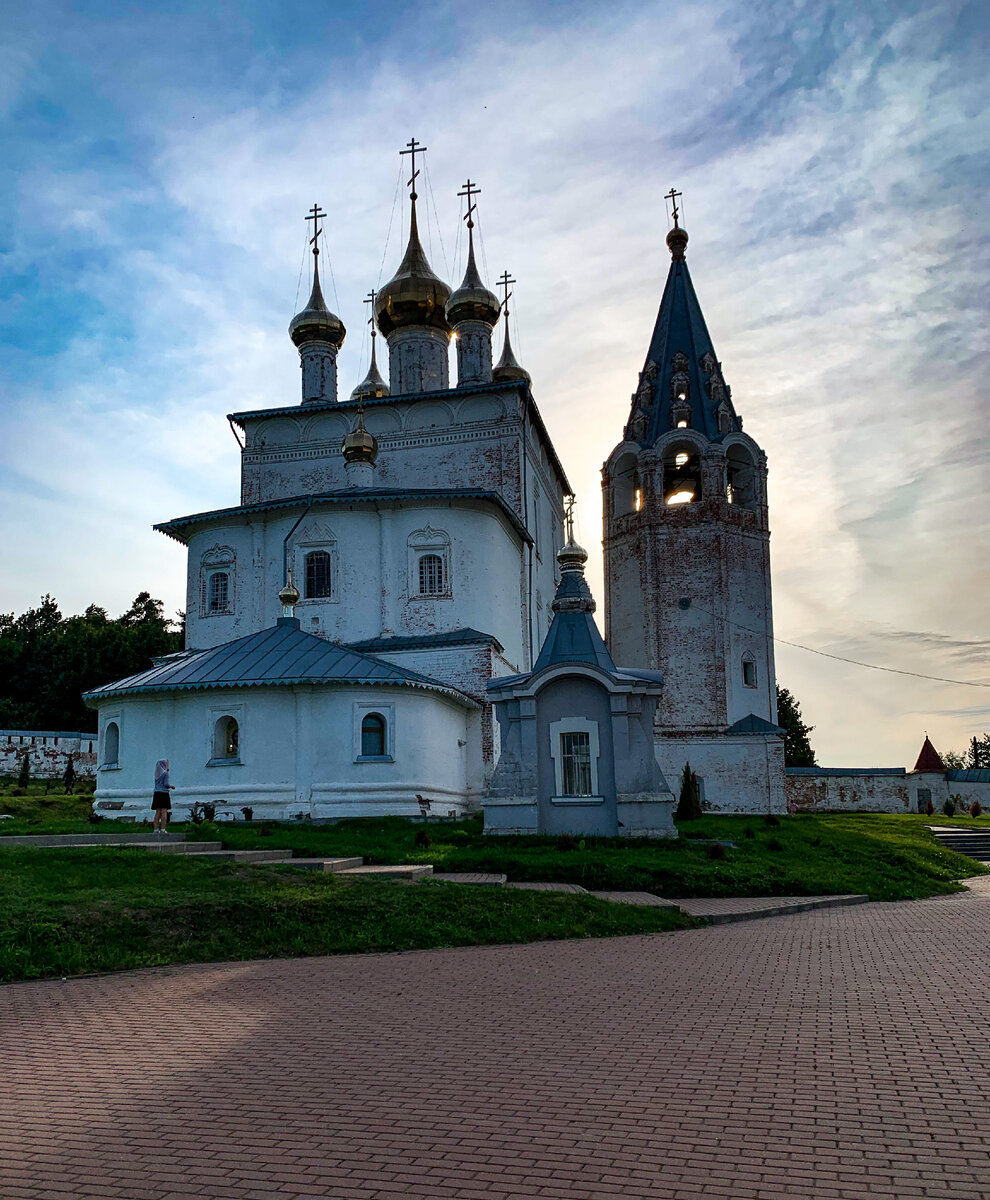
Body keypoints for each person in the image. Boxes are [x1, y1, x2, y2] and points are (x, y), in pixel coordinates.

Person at [152, 759, 175, 832]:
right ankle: (163, 828)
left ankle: (155, 829)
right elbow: (166, 784)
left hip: (157, 793)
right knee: (164, 812)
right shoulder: (165, 774)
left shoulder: (157, 773)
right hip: (164, 794)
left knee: (157, 812)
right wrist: (171, 786)